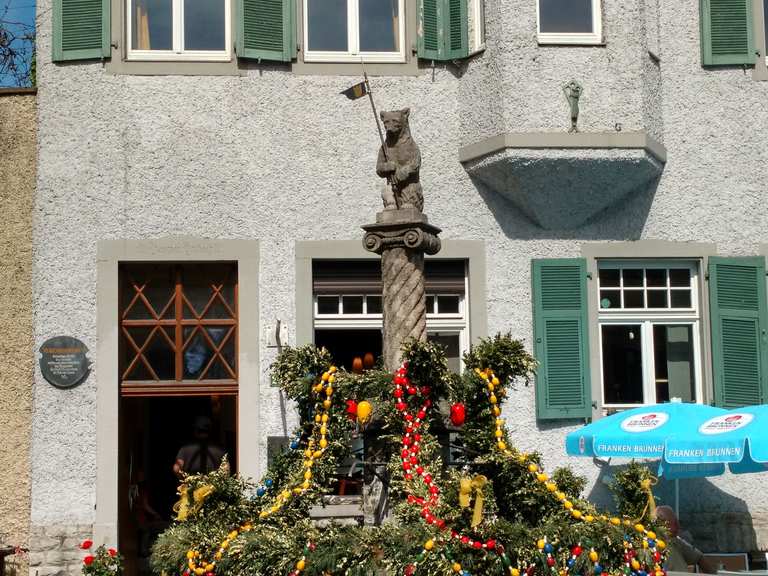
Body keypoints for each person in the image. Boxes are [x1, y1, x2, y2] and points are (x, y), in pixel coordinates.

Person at [654, 505, 718, 574]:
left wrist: (713, 574)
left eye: (677, 522)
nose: (678, 526)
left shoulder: (676, 541)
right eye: (674, 523)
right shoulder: (651, 545)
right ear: (662, 524)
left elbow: (699, 557)